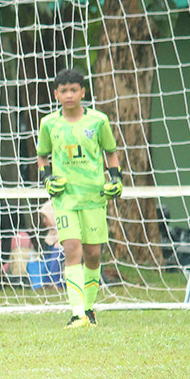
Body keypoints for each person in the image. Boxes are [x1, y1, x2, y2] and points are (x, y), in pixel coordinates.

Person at [37, 68, 122, 327]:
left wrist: (116, 178)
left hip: (94, 197)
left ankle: (89, 307)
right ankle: (77, 313)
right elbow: (42, 156)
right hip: (65, 200)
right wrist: (47, 178)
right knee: (71, 249)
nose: (69, 95)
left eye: (74, 90)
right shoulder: (49, 124)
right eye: (64, 91)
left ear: (83, 92)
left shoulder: (98, 121)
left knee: (93, 254)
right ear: (56, 94)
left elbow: (111, 151)